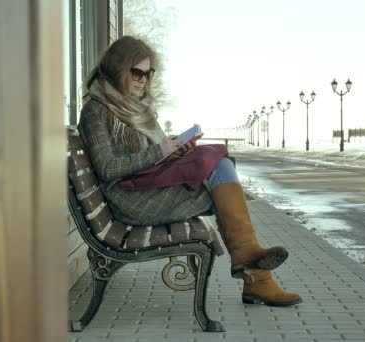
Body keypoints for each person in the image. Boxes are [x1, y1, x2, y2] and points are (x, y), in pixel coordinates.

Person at [78, 36, 301, 307]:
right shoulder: (96, 111)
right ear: (116, 68)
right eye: (137, 72)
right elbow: (107, 167)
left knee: (219, 165)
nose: (143, 80)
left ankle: (252, 267)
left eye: (148, 74)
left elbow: (147, 158)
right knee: (222, 188)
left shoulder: (136, 109)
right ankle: (255, 273)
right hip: (129, 201)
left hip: (143, 187)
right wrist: (159, 151)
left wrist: (175, 150)